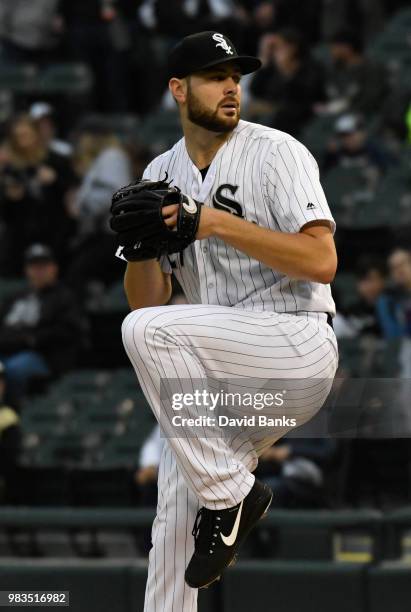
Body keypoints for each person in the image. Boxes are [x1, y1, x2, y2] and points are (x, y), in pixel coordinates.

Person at [117, 31, 338, 611]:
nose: (230, 88)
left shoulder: (277, 151)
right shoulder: (160, 170)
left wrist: (211, 222)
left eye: (235, 77)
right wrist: (140, 246)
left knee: (144, 333)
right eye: (216, 77)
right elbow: (146, 300)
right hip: (218, 378)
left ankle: (234, 495)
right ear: (178, 89)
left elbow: (322, 260)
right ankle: (228, 494)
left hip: (292, 346)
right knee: (174, 512)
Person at [0, 244, 85, 401]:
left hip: (42, 356)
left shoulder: (63, 297)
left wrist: (32, 339)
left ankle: (13, 411)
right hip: (7, 350)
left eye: (43, 266)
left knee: (13, 370)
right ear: (27, 270)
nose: (39, 271)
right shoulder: (15, 297)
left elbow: (68, 331)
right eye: (34, 266)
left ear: (54, 268)